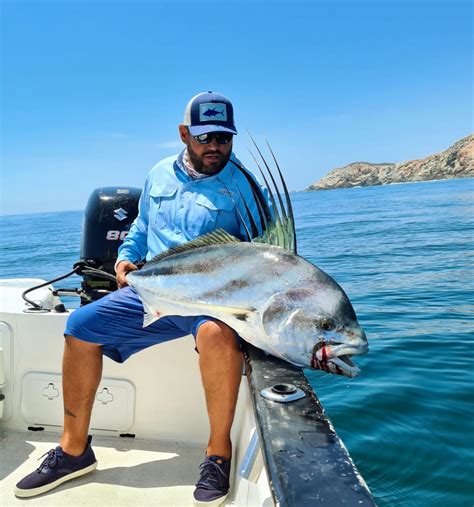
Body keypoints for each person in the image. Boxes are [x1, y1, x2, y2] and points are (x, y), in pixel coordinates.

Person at [14, 92, 269, 505]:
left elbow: (266, 253)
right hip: (155, 291)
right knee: (80, 326)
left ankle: (218, 453)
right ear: (185, 134)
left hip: (210, 301)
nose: (215, 147)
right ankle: (74, 450)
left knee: (218, 337)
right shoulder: (159, 174)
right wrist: (127, 259)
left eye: (224, 138)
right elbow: (141, 228)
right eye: (206, 138)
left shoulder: (244, 187)